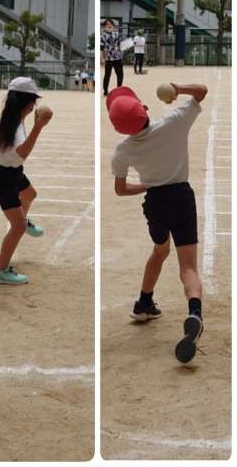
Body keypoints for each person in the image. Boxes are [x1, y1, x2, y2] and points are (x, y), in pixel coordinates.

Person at [107, 83, 208, 363]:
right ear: (145, 108)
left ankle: (144, 303)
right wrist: (177, 88)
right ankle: (194, 313)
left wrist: (149, 185)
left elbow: (120, 189)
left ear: (120, 129)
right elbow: (201, 91)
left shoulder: (124, 149)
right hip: (181, 196)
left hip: (155, 202)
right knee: (188, 267)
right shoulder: (174, 122)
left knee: (160, 250)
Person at [0, 77, 52, 285]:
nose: (35, 105)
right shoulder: (14, 127)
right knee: (17, 227)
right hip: (3, 177)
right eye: (33, 100)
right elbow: (22, 153)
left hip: (13, 172)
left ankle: (22, 220)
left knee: (30, 194)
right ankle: (0, 271)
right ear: (26, 103)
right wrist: (38, 128)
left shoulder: (9, 118)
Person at [100, 18, 124, 96]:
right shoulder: (102, 37)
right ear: (104, 27)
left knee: (120, 74)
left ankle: (119, 89)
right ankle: (105, 91)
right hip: (108, 58)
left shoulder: (117, 35)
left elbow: (122, 45)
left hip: (117, 57)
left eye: (110, 24)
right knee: (107, 75)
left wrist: (128, 44)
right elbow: (101, 48)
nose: (109, 26)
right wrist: (102, 58)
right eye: (107, 24)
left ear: (113, 26)